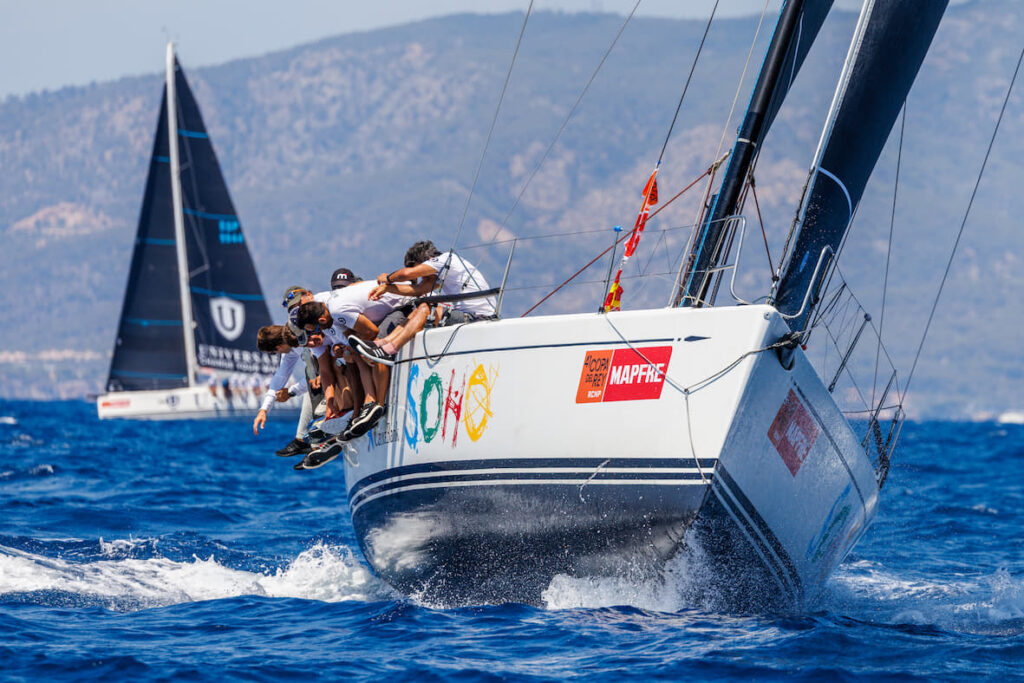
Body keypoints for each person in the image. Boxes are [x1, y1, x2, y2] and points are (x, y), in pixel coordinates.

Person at [294, 277, 411, 468]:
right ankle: (360, 410)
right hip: (383, 313)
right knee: (354, 355)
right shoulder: (327, 315)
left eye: (315, 329)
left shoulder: (337, 312)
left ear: (321, 321)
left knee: (369, 350)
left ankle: (375, 405)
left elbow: (372, 332)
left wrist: (352, 348)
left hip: (405, 304)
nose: (316, 334)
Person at [351, 240, 496, 365]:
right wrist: (387, 289)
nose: (420, 277)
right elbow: (419, 290)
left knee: (425, 308)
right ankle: (382, 344)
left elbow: (406, 274)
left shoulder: (444, 260)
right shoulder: (445, 268)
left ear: (423, 262)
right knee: (419, 310)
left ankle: (390, 350)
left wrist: (388, 278)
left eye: (417, 270)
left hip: (476, 318)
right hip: (470, 316)